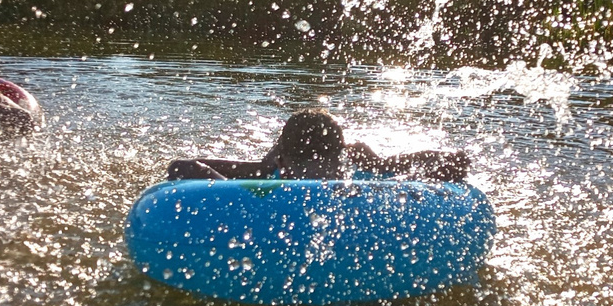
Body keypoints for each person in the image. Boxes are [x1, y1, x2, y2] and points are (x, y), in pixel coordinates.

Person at [167, 108, 470, 182]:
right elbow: (181, 167)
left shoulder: (360, 175)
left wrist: (378, 164)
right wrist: (261, 167)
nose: (318, 176)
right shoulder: (269, 177)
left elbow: (456, 162)